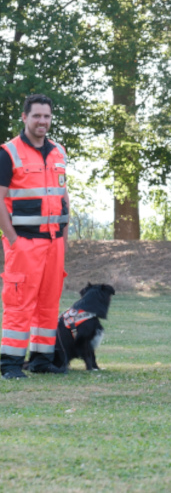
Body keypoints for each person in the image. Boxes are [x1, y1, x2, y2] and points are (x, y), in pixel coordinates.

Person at [0, 94, 69, 379]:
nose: (43, 121)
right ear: (24, 117)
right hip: (25, 243)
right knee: (19, 303)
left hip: (55, 242)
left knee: (48, 300)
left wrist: (64, 235)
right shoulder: (9, 152)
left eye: (47, 116)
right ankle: (10, 364)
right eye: (37, 116)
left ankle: (42, 359)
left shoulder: (58, 152)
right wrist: (13, 240)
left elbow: (63, 194)